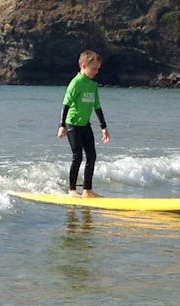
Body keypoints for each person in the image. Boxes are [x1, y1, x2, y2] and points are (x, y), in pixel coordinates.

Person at [57, 50, 111, 198]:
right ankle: (72, 190)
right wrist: (61, 125)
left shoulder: (93, 85)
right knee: (77, 157)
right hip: (72, 124)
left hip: (85, 125)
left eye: (98, 69)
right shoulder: (75, 83)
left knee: (92, 156)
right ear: (83, 65)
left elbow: (97, 107)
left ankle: (87, 190)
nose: (96, 72)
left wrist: (104, 127)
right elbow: (65, 105)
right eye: (93, 68)